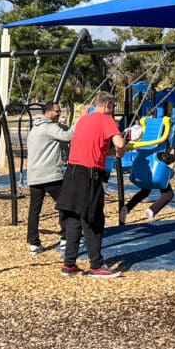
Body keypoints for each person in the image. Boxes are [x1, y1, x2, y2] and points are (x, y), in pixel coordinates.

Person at [55, 91, 125, 278]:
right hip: (89, 175)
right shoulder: (106, 119)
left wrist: (108, 152)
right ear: (108, 105)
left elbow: (92, 146)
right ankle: (96, 265)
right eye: (113, 105)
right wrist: (122, 150)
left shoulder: (83, 120)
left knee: (73, 218)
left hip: (71, 172)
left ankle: (69, 264)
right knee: (93, 219)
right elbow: (119, 143)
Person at [24, 101, 75, 254]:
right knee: (65, 204)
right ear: (48, 112)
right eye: (56, 111)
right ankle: (66, 237)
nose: (59, 114)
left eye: (59, 111)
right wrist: (80, 120)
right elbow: (67, 136)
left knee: (34, 210)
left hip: (34, 175)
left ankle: (33, 242)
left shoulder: (34, 128)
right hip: (50, 175)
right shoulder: (49, 127)